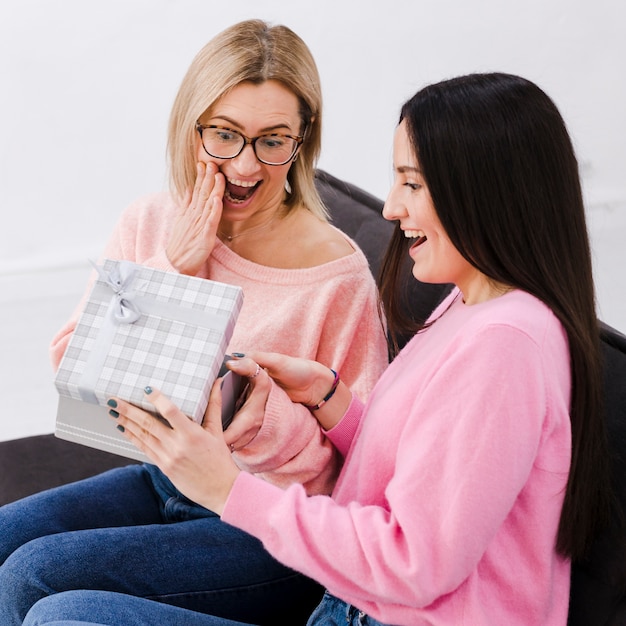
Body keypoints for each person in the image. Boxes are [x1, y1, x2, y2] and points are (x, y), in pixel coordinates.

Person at [20, 71, 614, 626]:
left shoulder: (504, 345)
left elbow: (415, 565)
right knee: (32, 580)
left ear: (485, 193)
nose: (390, 207)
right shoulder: (469, 306)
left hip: (366, 606)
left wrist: (227, 490)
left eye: (412, 183)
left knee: (52, 608)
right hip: (348, 601)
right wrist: (331, 399)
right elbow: (421, 474)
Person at [0, 19, 389, 626]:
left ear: (302, 140)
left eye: (272, 140)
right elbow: (70, 364)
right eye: (225, 135)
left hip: (270, 526)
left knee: (34, 574)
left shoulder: (336, 277)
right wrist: (171, 267)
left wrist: (254, 421)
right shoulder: (155, 223)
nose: (244, 166)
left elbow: (359, 466)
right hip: (166, 479)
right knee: (6, 539)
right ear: (192, 129)